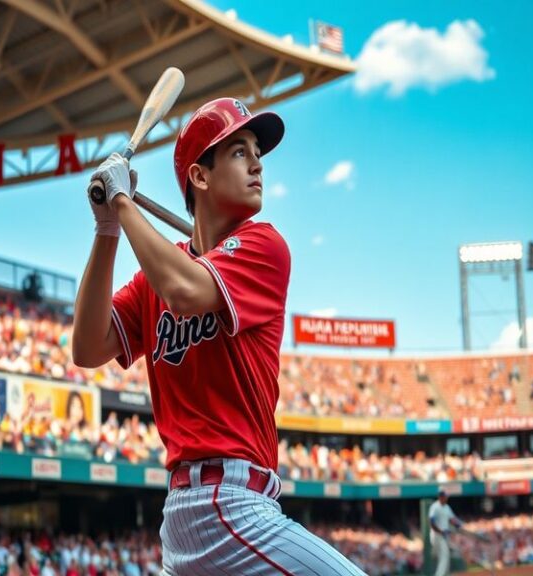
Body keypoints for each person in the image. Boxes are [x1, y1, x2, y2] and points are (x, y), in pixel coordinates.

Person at [73, 97, 366, 575]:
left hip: (220, 511)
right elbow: (87, 347)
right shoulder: (158, 274)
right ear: (200, 176)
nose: (257, 163)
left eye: (257, 151)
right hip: (228, 508)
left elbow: (186, 289)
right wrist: (107, 227)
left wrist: (123, 204)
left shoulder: (264, 245)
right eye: (238, 151)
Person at [429, 489, 464, 576]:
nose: (446, 498)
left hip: (444, 535)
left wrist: (458, 524)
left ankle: (445, 574)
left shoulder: (447, 507)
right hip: (437, 535)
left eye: (446, 497)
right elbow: (431, 521)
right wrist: (440, 531)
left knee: (445, 556)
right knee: (444, 555)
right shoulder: (435, 506)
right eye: (444, 496)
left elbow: (452, 519)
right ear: (440, 497)